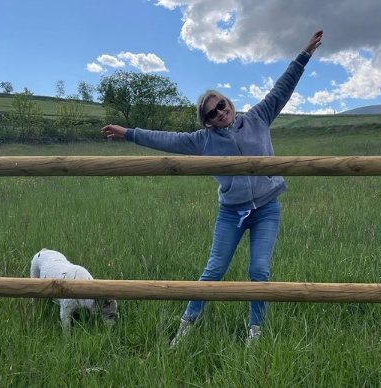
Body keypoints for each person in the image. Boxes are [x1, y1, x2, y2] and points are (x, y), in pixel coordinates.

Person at [101, 30, 323, 347]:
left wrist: (304, 56)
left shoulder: (258, 117)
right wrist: (128, 133)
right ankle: (186, 327)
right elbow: (164, 138)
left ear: (228, 101)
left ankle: (255, 332)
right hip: (231, 212)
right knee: (214, 270)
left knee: (259, 271)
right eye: (212, 112)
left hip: (266, 209)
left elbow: (282, 88)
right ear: (207, 121)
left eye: (221, 104)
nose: (220, 112)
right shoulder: (202, 141)